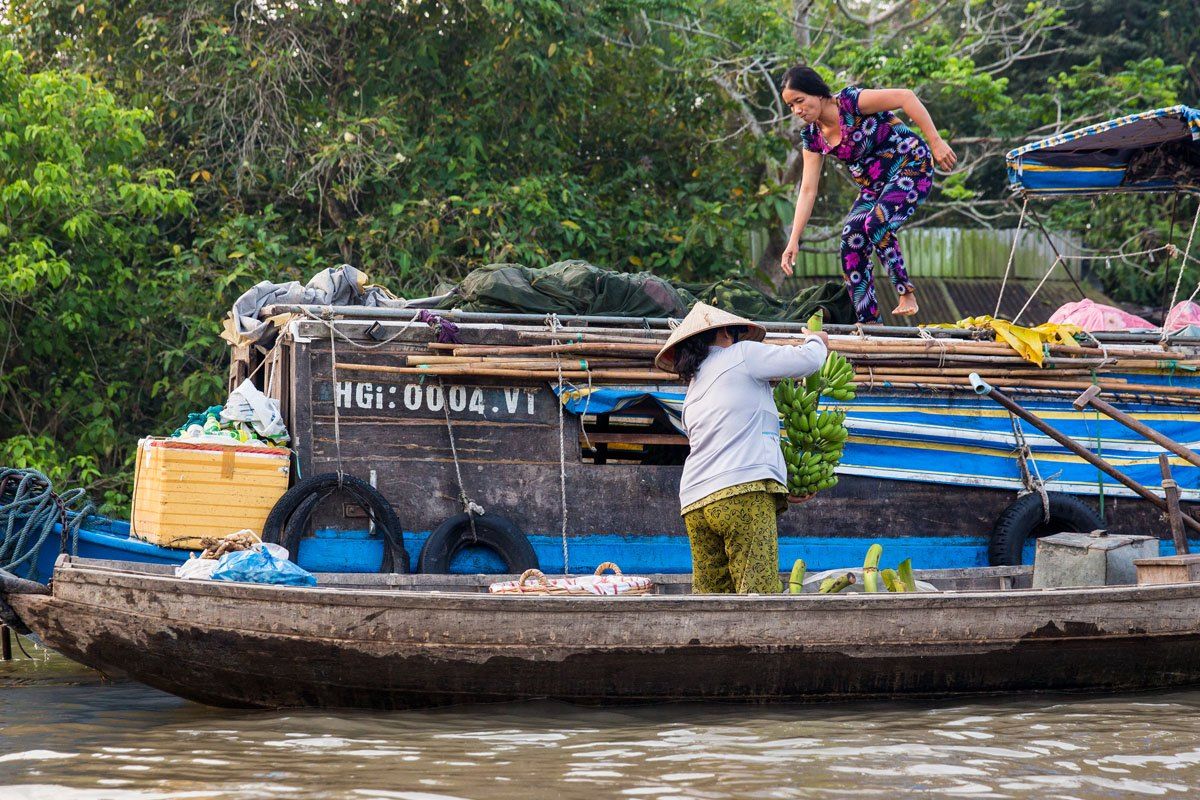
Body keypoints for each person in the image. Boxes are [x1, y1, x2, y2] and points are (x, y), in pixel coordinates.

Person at [655, 303, 829, 593]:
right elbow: (808, 361)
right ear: (725, 331)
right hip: (741, 494)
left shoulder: (694, 390)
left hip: (696, 503)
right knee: (757, 593)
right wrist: (816, 341)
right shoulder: (742, 355)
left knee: (712, 598)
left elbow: (732, 439)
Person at [778, 65, 957, 323]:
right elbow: (807, 189)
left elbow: (906, 97)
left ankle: (905, 292)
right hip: (874, 186)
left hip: (911, 165)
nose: (797, 110)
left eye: (800, 101)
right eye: (791, 106)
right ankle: (869, 322)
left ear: (817, 93)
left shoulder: (851, 102)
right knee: (851, 237)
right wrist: (794, 239)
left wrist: (936, 141)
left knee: (876, 222)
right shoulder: (813, 138)